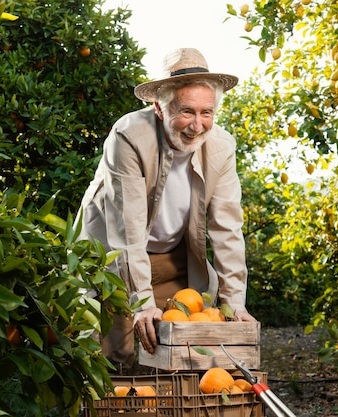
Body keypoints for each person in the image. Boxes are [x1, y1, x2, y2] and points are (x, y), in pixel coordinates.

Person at [76, 47, 256, 373]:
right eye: (186, 111)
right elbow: (126, 227)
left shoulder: (222, 146)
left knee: (180, 354)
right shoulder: (129, 136)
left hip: (171, 259)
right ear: (159, 107)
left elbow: (227, 228)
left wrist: (234, 305)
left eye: (207, 113)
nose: (197, 125)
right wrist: (142, 303)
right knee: (117, 356)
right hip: (112, 256)